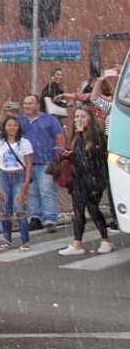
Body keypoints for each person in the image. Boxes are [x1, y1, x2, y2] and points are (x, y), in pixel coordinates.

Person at [58, 107, 114, 256]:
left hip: (95, 177)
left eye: (83, 116)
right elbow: (78, 156)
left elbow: (95, 156)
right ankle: (77, 243)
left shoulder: (96, 136)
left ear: (90, 118)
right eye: (76, 117)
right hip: (79, 178)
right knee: (78, 210)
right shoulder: (76, 136)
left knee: (93, 208)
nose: (79, 120)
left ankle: (106, 239)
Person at [7, 94, 65, 233]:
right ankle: (35, 217)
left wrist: (59, 156)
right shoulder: (20, 121)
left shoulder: (49, 120)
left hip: (46, 161)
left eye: (30, 103)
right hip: (27, 163)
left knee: (46, 190)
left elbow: (59, 136)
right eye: (25, 103)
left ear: (38, 105)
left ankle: (50, 219)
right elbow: (7, 124)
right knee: (31, 192)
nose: (27, 106)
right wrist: (8, 107)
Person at [0, 115, 32, 251]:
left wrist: (26, 182)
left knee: (19, 208)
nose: (12, 128)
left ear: (18, 127)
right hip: (4, 176)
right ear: (4, 127)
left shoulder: (24, 143)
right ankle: (7, 240)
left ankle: (25, 241)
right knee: (5, 209)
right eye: (9, 125)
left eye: (14, 125)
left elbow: (29, 165)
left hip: (19, 175)